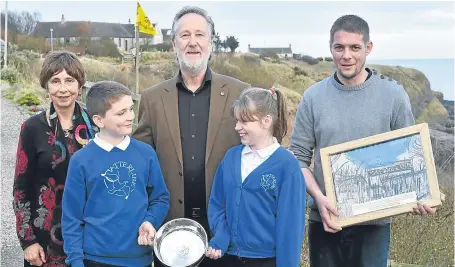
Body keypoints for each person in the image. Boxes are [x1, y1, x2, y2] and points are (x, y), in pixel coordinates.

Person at [289, 14, 437, 267]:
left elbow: (412, 156)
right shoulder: (313, 97)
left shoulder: (393, 94)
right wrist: (319, 199)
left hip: (375, 224)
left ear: (368, 48)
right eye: (339, 47)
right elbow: (298, 159)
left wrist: (420, 195)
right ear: (331, 48)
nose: (346, 55)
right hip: (325, 219)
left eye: (355, 47)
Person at [132, 6, 250, 267]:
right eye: (185, 35)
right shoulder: (152, 98)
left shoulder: (240, 92)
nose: (193, 42)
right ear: (174, 43)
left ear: (211, 42)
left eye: (200, 34)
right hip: (171, 231)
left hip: (228, 229)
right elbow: (141, 160)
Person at [61, 81, 170, 267]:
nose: (130, 117)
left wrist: (150, 221)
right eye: (121, 113)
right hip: (95, 259)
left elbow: (160, 198)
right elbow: (71, 216)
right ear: (98, 120)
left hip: (139, 259)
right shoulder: (81, 160)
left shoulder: (146, 153)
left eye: (130, 109)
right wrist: (76, 261)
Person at [205, 88, 306, 267]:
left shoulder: (287, 165)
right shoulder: (231, 157)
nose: (237, 127)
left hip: (265, 261)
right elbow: (217, 204)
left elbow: (291, 227)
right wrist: (221, 237)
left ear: (266, 121)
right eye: (237, 120)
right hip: (226, 258)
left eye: (244, 121)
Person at [13, 51, 95, 267]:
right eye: (55, 81)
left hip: (91, 236)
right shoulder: (32, 128)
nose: (63, 89)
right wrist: (27, 241)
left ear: (79, 84)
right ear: (46, 85)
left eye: (69, 80)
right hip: (44, 240)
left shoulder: (96, 126)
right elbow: (21, 188)